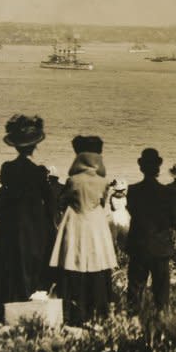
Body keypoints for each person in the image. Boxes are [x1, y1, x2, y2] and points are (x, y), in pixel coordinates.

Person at [49, 135, 117, 325]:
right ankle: (99, 311)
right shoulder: (102, 181)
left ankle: (75, 311)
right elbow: (103, 201)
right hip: (96, 224)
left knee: (74, 263)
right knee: (97, 264)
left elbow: (63, 201)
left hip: (76, 223)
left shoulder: (73, 180)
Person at [0, 114, 56, 304]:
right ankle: (31, 295)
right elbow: (49, 199)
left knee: (10, 261)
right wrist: (52, 223)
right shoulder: (37, 172)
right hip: (33, 224)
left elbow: (4, 194)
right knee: (32, 260)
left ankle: (10, 299)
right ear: (34, 146)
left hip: (10, 223)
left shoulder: (7, 168)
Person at [126, 148, 175, 311]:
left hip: (139, 244)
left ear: (141, 167)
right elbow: (170, 220)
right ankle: (162, 324)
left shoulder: (132, 191)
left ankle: (133, 325)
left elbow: (132, 213)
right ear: (158, 168)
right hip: (160, 246)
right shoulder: (167, 192)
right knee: (161, 295)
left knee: (135, 291)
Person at [107, 179, 130, 250]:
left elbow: (112, 207)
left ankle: (115, 249)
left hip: (114, 215)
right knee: (125, 234)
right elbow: (127, 206)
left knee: (114, 234)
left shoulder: (112, 197)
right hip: (123, 214)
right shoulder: (125, 196)